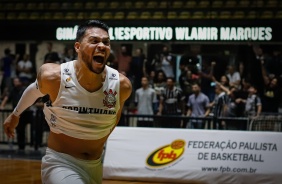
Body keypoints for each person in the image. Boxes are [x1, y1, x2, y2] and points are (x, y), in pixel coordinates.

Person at [3, 20, 132, 184]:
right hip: (60, 163)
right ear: (77, 47)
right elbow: (33, 90)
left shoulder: (122, 86)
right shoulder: (54, 76)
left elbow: (114, 119)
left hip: (96, 165)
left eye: (106, 42)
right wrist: (15, 114)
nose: (102, 46)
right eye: (94, 41)